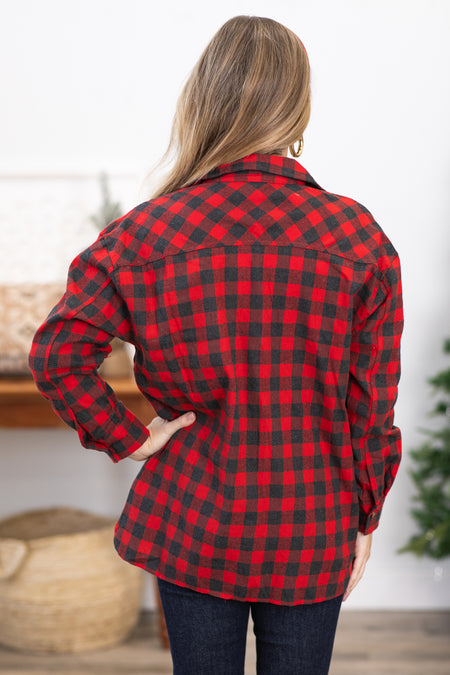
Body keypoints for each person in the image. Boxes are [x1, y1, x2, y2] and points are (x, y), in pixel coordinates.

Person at [28, 14, 404, 675]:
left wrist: (131, 437)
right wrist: (365, 516)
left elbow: (58, 353)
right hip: (310, 521)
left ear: (204, 103)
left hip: (192, 519)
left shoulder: (142, 234)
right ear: (299, 108)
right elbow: (370, 407)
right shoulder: (358, 240)